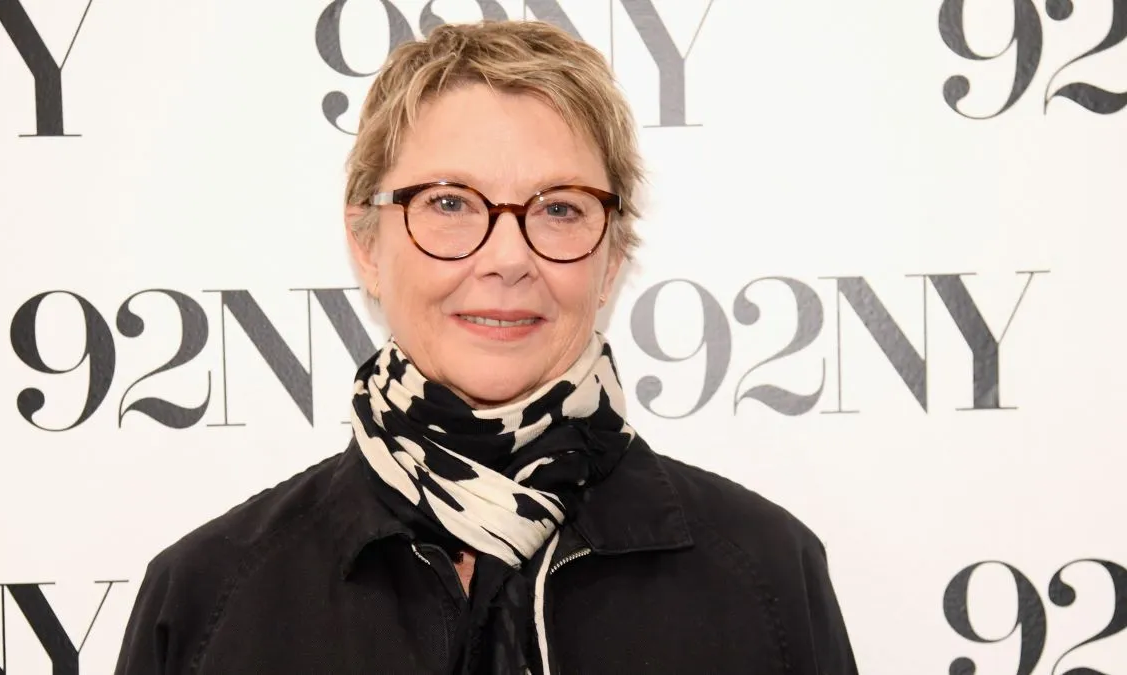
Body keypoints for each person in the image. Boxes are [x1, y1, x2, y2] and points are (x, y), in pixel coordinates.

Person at [114, 19, 858, 675]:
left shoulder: (768, 576)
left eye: (561, 208)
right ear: (366, 243)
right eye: (449, 203)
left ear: (614, 258)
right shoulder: (204, 599)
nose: (508, 257)